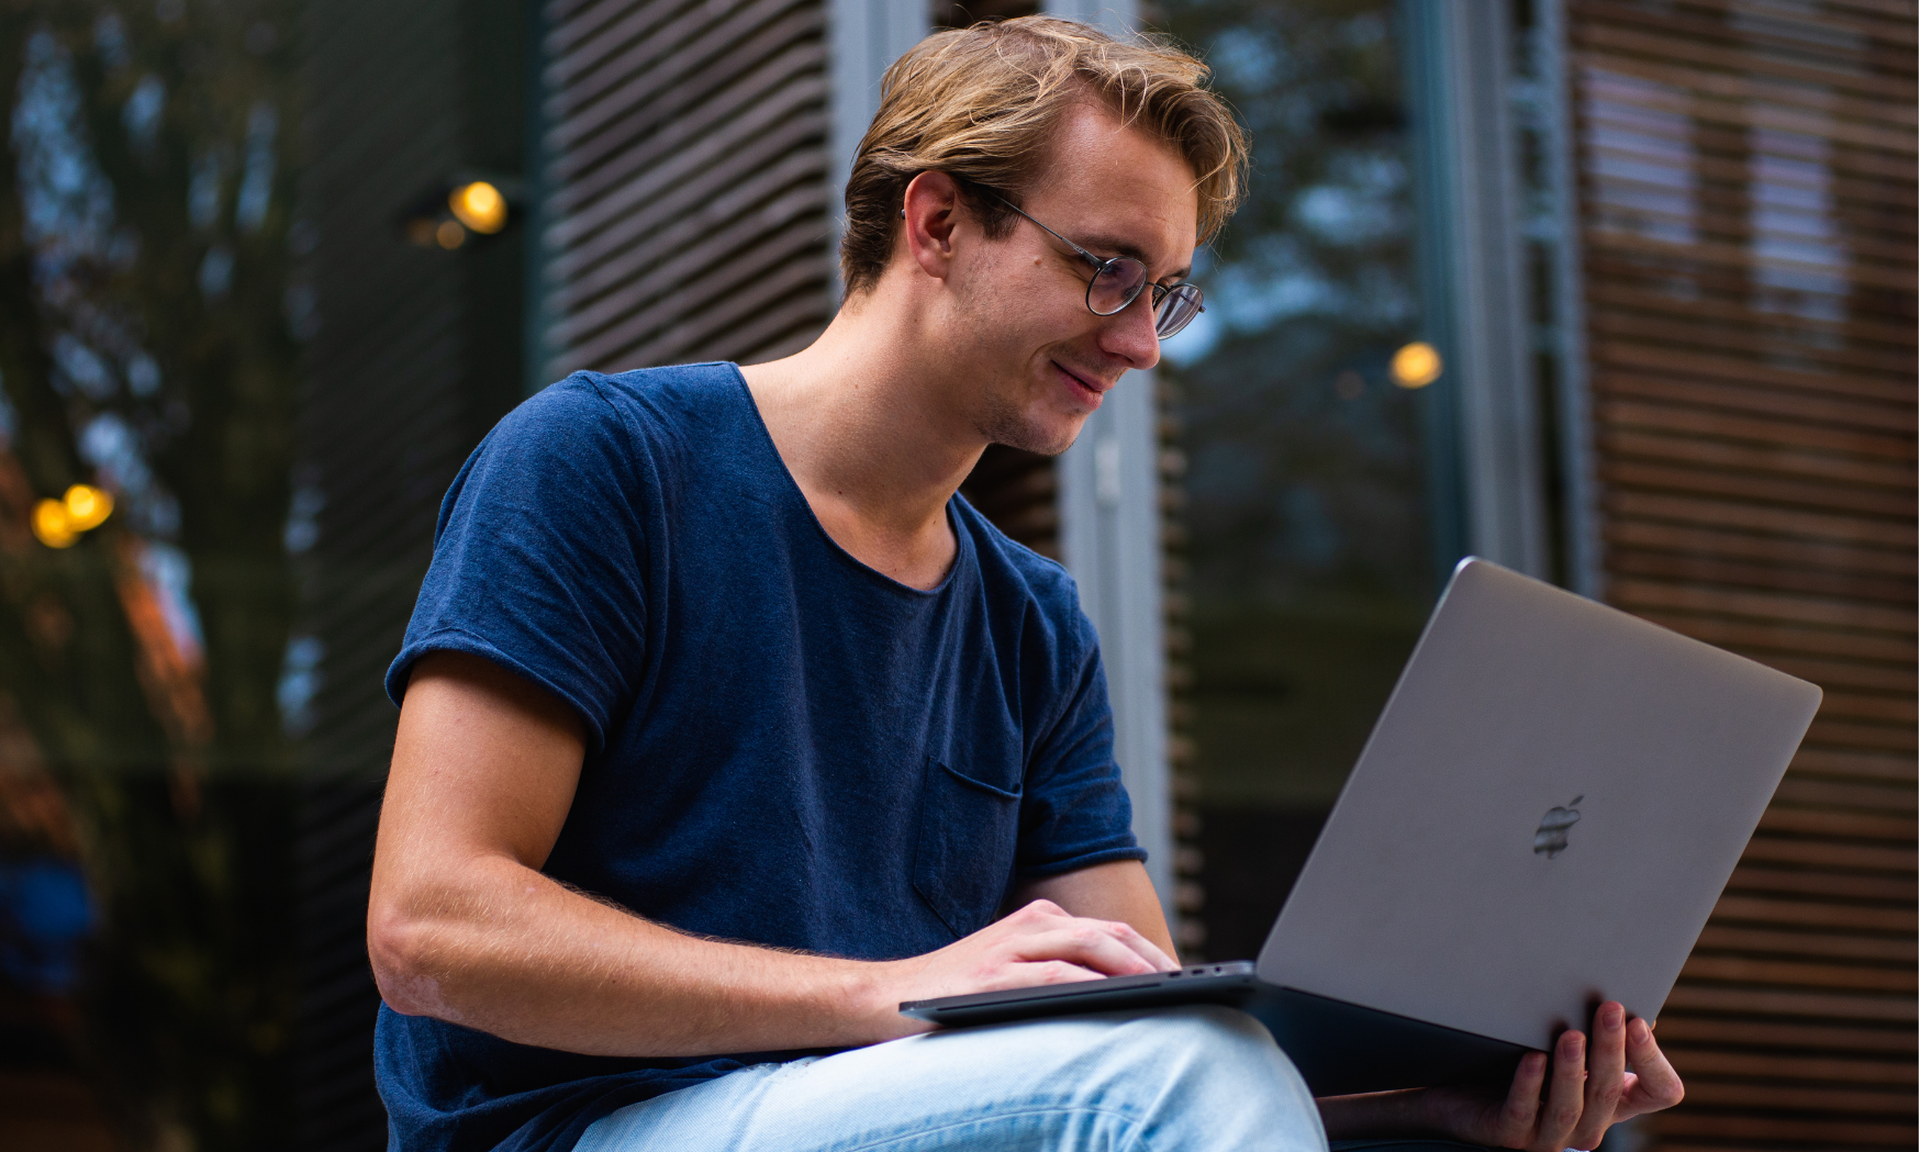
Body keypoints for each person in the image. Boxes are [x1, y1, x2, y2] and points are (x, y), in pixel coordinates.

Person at [366, 17, 1684, 1152]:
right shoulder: (605, 463)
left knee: (1195, 1053)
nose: (1141, 343)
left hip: (867, 1112)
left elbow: (1138, 1036)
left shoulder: (1031, 621)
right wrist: (891, 993)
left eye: (1167, 296)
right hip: (579, 1127)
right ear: (937, 222)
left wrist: (1421, 1107)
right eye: (1107, 270)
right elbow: (431, 930)